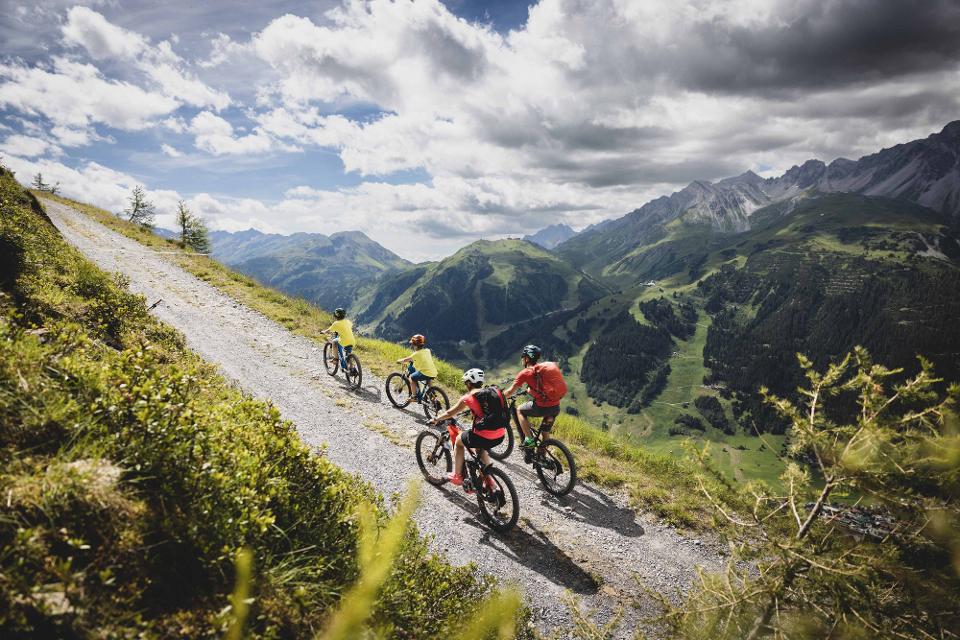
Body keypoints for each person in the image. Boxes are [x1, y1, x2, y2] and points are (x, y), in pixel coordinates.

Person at [431, 368, 507, 490]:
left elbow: (450, 413)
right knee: (479, 448)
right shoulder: (488, 394)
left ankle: (457, 476)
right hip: (500, 434)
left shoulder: (468, 397)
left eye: (466, 382)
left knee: (459, 441)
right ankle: (489, 478)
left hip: (484, 436)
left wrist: (436, 419)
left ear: (469, 383)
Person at [502, 344, 568, 457]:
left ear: (527, 359)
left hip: (542, 408)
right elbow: (542, 388)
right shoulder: (542, 370)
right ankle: (542, 458)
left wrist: (498, 396)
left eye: (523, 357)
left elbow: (509, 392)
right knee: (545, 432)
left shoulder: (525, 373)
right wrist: (530, 390)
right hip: (555, 408)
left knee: (519, 410)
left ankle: (529, 439)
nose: (522, 359)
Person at [396, 334, 439, 402]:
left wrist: (399, 361)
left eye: (412, 344)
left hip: (425, 372)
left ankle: (414, 396)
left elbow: (406, 360)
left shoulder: (416, 354)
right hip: (433, 372)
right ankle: (432, 395)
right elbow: (422, 358)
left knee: (412, 378)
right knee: (428, 378)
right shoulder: (427, 350)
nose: (412, 346)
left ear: (415, 345)